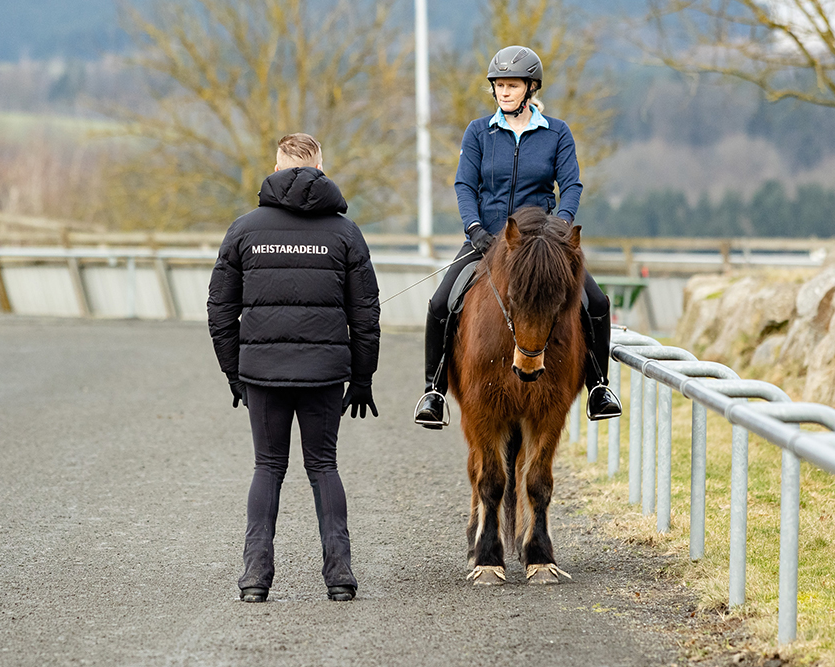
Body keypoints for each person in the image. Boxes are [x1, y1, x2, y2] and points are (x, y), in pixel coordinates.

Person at [207, 133, 381, 603]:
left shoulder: (244, 229)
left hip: (261, 371)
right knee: (324, 465)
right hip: (325, 373)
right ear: (320, 168)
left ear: (277, 167)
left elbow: (219, 310)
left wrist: (234, 371)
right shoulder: (346, 233)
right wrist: (362, 377)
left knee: (268, 466)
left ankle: (254, 580)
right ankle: (340, 577)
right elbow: (366, 313)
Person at [413, 45, 621, 428]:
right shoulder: (478, 131)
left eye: (512, 85)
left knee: (597, 302)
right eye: (499, 85)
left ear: (531, 88)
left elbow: (571, 184)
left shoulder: (557, 133)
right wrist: (474, 228)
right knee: (441, 303)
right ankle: (434, 390)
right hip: (487, 239)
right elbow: (464, 184)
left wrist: (559, 229)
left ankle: (598, 385)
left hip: (542, 246)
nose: (504, 92)